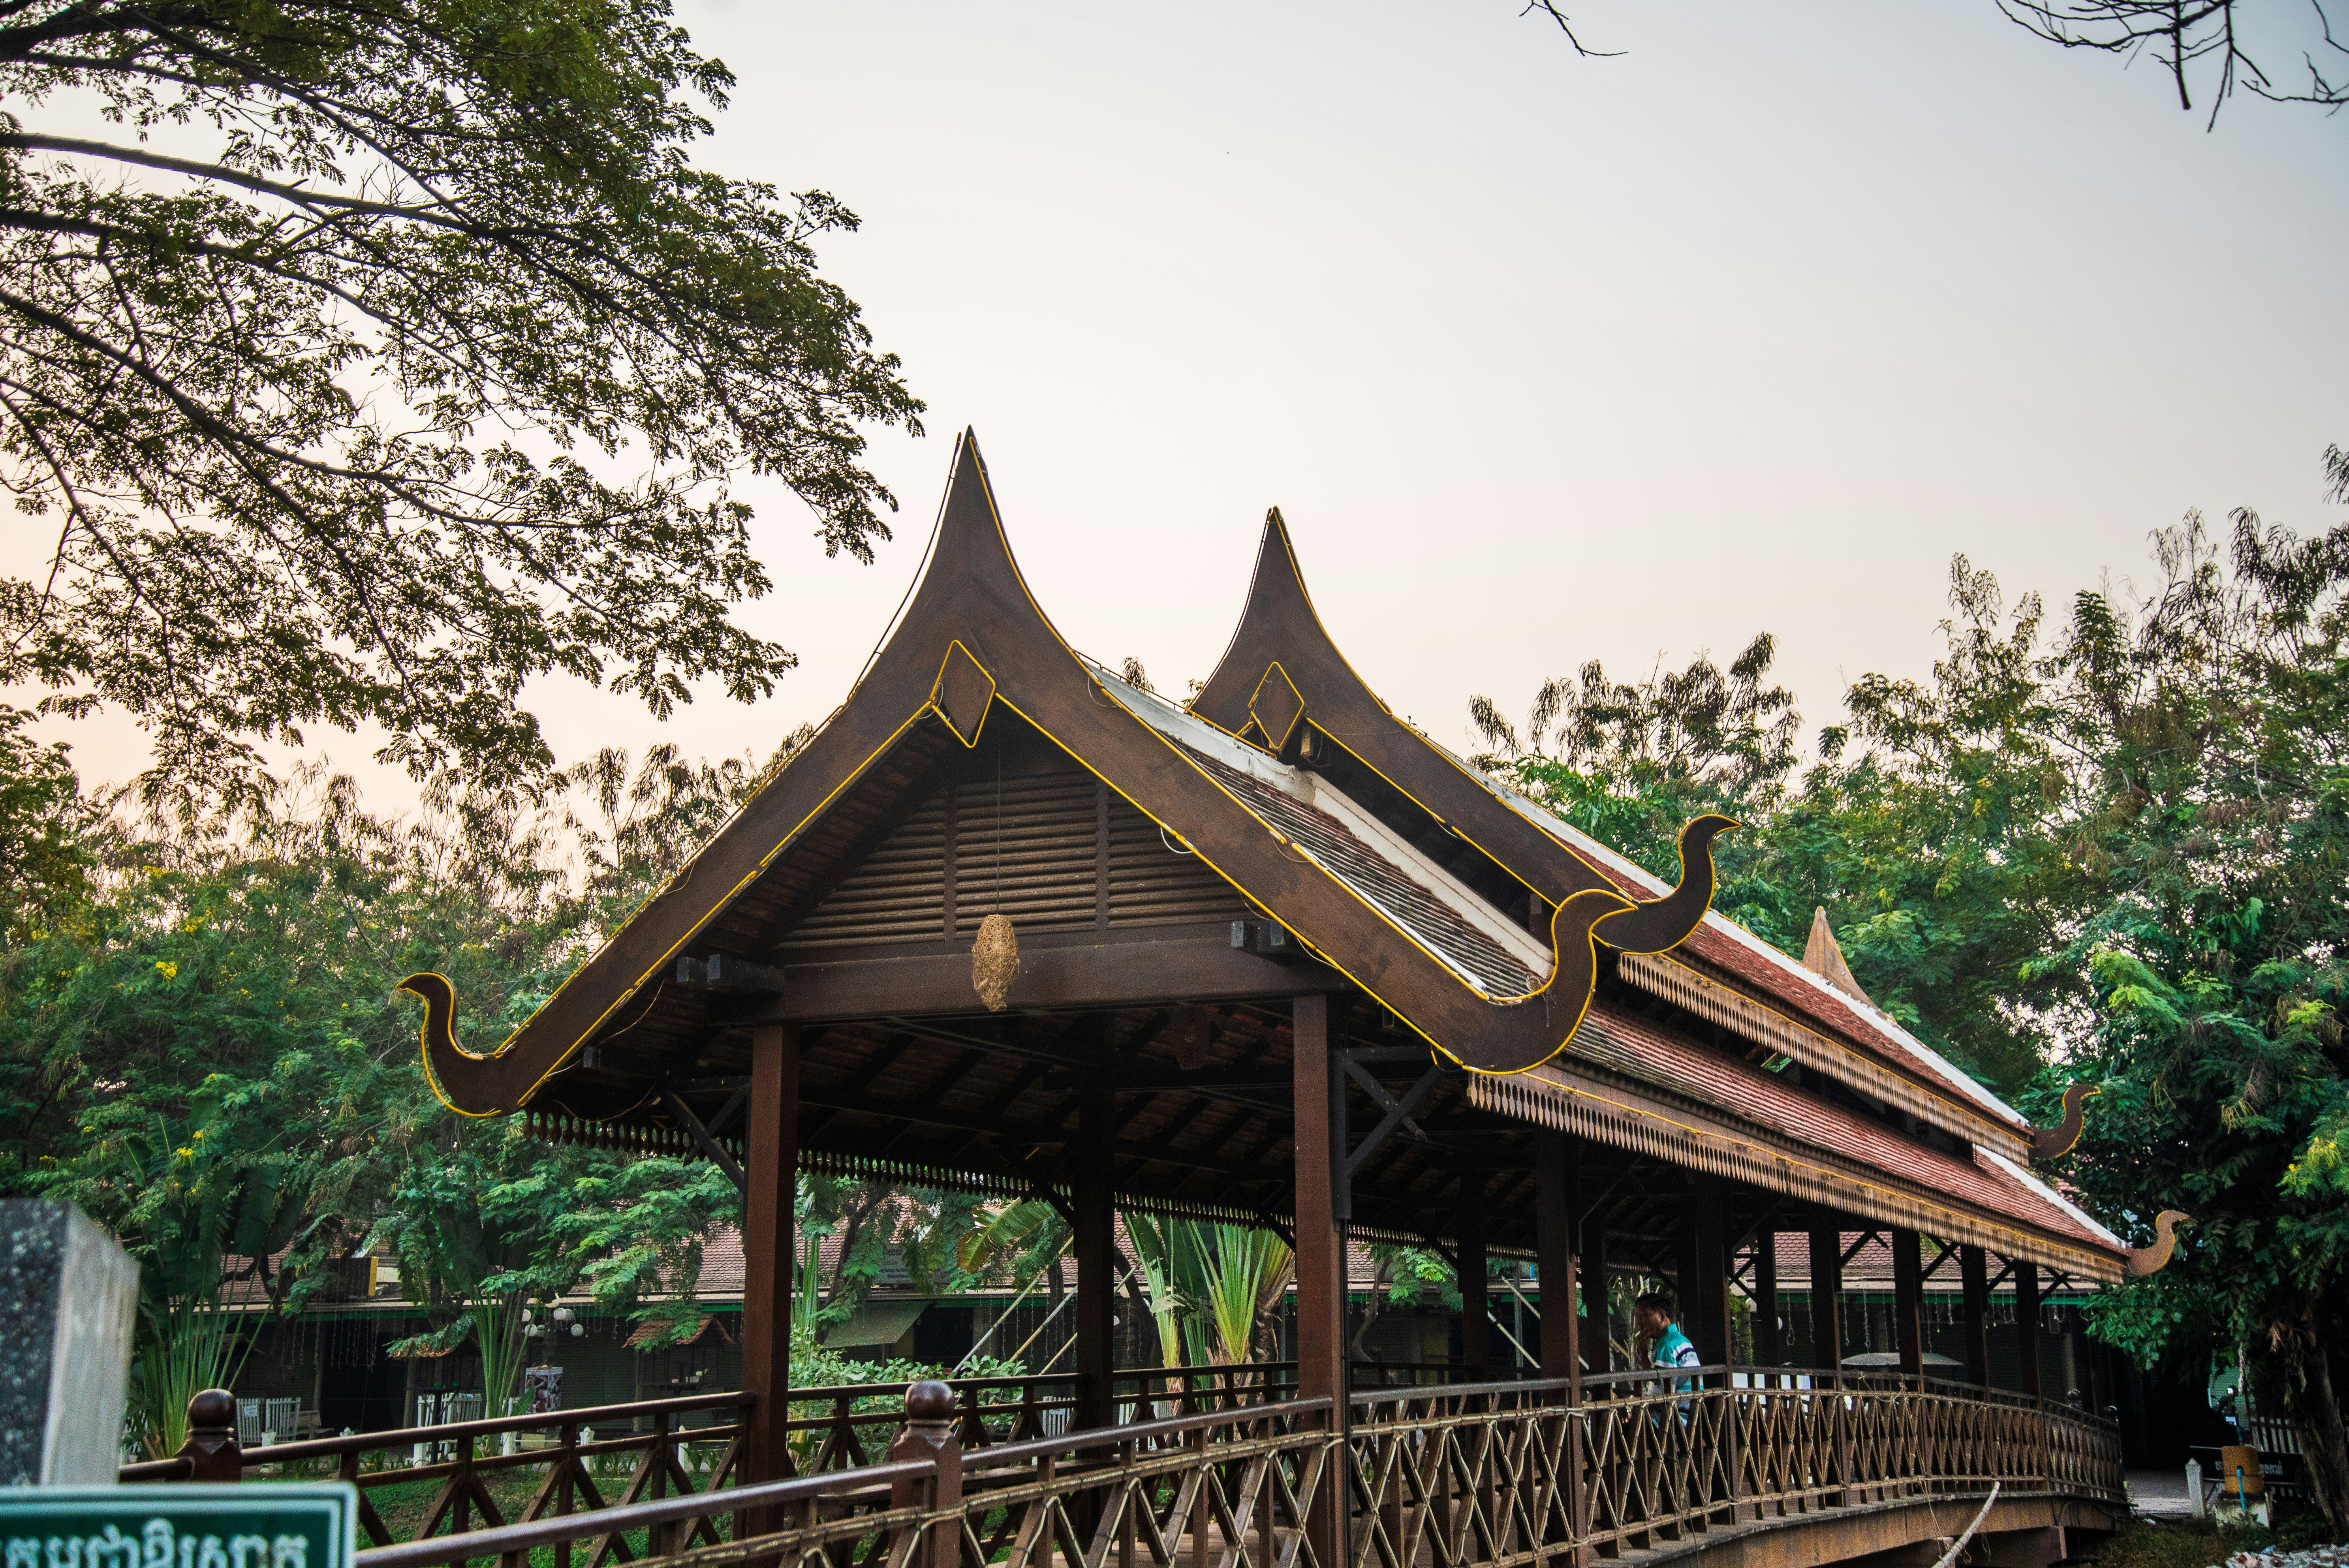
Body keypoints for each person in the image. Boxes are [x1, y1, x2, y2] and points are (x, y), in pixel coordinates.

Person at [1635, 1292, 1704, 1405]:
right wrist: (1643, 1351)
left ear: (1662, 1316)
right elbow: (1652, 1380)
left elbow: (1656, 1400)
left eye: (1644, 1316)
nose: (1639, 1323)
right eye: (1637, 1317)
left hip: (1674, 1418)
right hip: (1688, 1415)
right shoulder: (1679, 1340)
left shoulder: (1666, 1346)